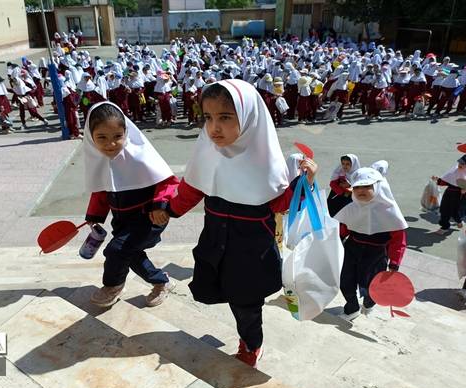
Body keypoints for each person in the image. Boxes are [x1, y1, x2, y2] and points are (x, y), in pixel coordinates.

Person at [152, 80, 318, 368]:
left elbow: (280, 204)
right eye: (208, 118)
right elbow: (191, 190)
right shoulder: (209, 152)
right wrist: (168, 209)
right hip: (217, 242)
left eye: (226, 117)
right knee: (226, 293)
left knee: (246, 304)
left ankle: (252, 344)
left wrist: (306, 183)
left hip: (251, 251)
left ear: (249, 117)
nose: (214, 128)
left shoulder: (265, 160)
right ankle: (248, 335)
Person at [83, 102, 179, 307]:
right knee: (131, 254)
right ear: (91, 137)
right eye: (102, 137)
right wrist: (93, 216)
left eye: (117, 136)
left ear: (126, 132)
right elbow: (100, 191)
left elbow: (168, 181)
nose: (111, 144)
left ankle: (112, 286)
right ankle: (162, 281)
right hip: (123, 220)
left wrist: (159, 205)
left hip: (149, 217)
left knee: (116, 250)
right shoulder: (100, 161)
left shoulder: (140, 156)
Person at [334, 167, 407, 321]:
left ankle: (369, 303)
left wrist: (394, 263)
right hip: (352, 249)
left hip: (376, 254)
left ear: (378, 187)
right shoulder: (352, 209)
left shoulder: (389, 211)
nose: (361, 190)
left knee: (371, 285)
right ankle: (352, 307)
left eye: (367, 186)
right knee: (345, 280)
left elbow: (398, 240)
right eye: (357, 187)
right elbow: (342, 228)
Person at [432, 154, 466, 234]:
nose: (460, 164)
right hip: (448, 193)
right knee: (444, 209)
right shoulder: (455, 171)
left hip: (459, 196)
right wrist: (438, 180)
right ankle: (444, 226)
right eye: (460, 162)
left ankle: (458, 221)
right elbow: (446, 181)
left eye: (463, 164)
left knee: (455, 211)